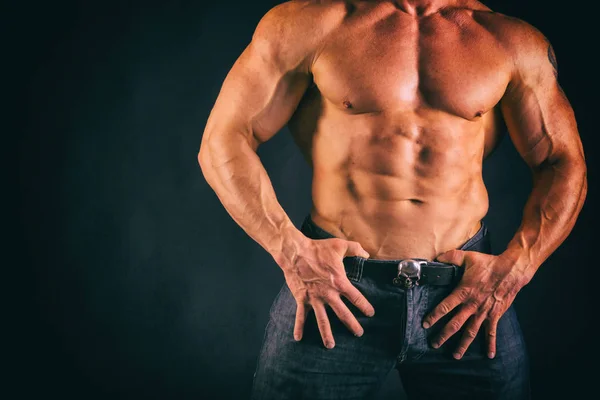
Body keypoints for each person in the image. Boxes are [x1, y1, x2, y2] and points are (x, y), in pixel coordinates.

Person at [198, 0, 587, 398]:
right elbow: (223, 140)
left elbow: (563, 162)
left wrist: (517, 268)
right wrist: (289, 249)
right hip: (335, 292)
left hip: (467, 299)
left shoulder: (508, 41)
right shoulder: (312, 24)